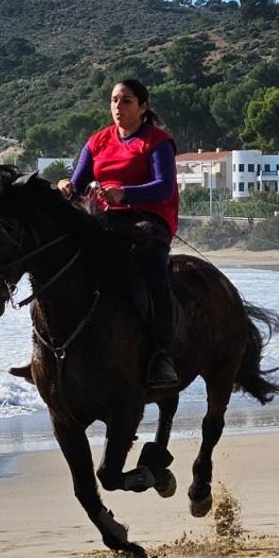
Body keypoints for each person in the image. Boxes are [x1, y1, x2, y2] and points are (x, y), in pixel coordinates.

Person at [54, 79, 180, 389]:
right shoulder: (97, 141)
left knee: (152, 267)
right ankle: (53, 349)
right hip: (104, 219)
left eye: (126, 101)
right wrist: (66, 187)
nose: (118, 106)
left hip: (148, 220)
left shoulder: (157, 141)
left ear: (143, 107)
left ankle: (162, 355)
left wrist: (126, 193)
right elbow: (78, 185)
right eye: (114, 100)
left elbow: (164, 187)